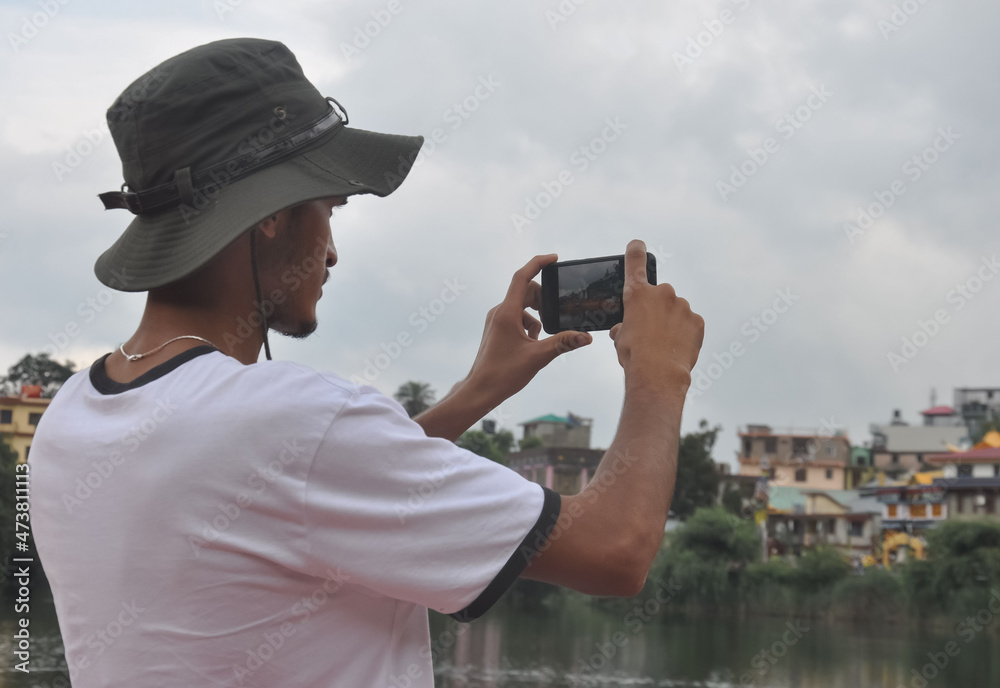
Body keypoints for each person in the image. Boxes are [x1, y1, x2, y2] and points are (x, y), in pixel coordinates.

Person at [30, 38, 704, 687]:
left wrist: (474, 395)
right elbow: (617, 551)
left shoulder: (70, 420)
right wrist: (659, 375)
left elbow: (291, 499)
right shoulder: (287, 421)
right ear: (271, 214)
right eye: (329, 208)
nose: (330, 252)